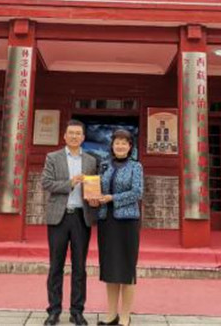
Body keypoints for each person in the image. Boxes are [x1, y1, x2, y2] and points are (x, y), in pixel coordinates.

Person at [41, 119, 97, 326]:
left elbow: (94, 187)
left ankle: (77, 311)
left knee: (79, 267)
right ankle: (54, 311)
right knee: (56, 265)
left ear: (83, 138)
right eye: (71, 133)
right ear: (64, 136)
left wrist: (95, 198)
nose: (74, 136)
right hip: (59, 216)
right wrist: (70, 183)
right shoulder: (53, 157)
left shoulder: (91, 161)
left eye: (78, 134)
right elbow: (46, 183)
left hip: (82, 217)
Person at [89, 129, 144, 326]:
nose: (120, 146)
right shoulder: (104, 165)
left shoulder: (136, 166)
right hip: (107, 221)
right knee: (110, 269)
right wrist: (94, 198)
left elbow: (137, 192)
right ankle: (111, 315)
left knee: (127, 269)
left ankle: (125, 316)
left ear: (130, 147)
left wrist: (112, 198)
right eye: (117, 142)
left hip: (127, 222)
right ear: (112, 145)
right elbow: (97, 188)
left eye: (124, 143)